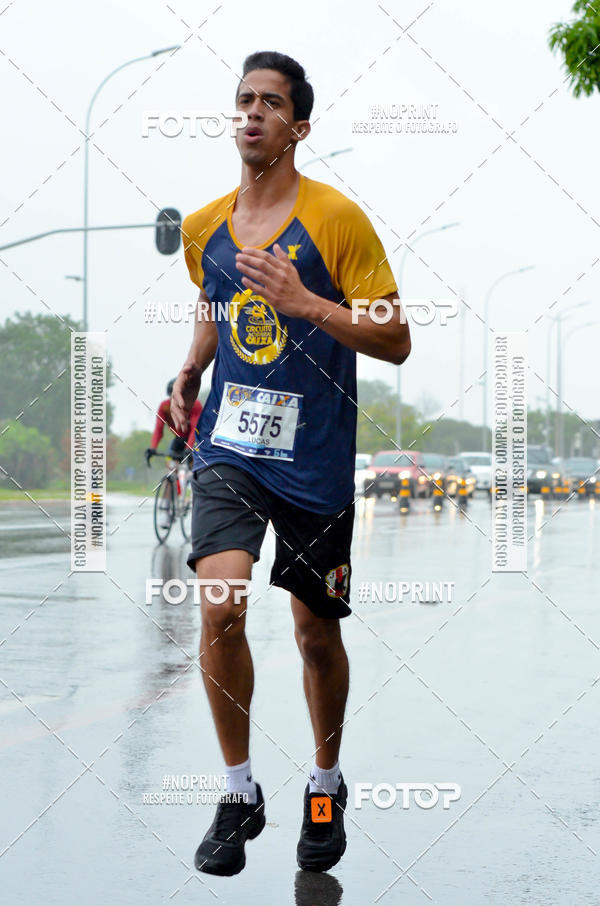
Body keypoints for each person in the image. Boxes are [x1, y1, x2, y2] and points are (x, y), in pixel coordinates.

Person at [170, 50, 411, 877]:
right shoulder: (206, 227)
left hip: (313, 459)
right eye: (242, 100)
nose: (252, 113)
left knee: (314, 635)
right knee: (219, 606)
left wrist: (308, 302)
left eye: (271, 103)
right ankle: (237, 792)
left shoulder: (337, 221)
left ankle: (324, 782)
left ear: (298, 126)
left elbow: (396, 337)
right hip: (229, 447)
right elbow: (214, 304)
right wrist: (191, 369)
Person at [145, 378, 202, 465]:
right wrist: (153, 447)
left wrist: (188, 448)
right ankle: (173, 477)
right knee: (171, 468)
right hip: (179, 440)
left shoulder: (195, 405)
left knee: (194, 468)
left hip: (197, 440)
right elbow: (159, 429)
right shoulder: (164, 407)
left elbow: (195, 429)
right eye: (173, 396)